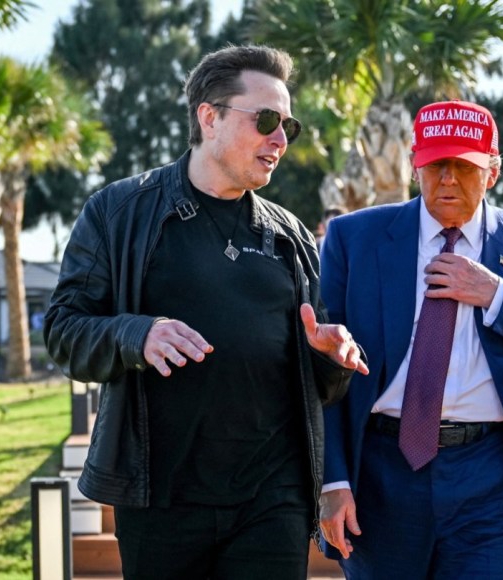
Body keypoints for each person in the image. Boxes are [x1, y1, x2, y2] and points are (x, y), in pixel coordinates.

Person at [43, 45, 368, 580]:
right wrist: (135, 334)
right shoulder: (118, 212)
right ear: (209, 117)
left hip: (273, 499)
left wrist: (329, 358)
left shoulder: (290, 237)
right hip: (159, 500)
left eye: (289, 125)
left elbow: (323, 387)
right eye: (266, 120)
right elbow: (63, 332)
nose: (281, 139)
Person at [316, 99, 503, 579]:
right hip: (382, 474)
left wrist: (499, 296)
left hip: (494, 478)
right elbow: (325, 373)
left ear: (493, 173)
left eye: (464, 166)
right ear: (414, 163)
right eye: (436, 165)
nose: (448, 180)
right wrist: (332, 480)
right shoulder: (354, 238)